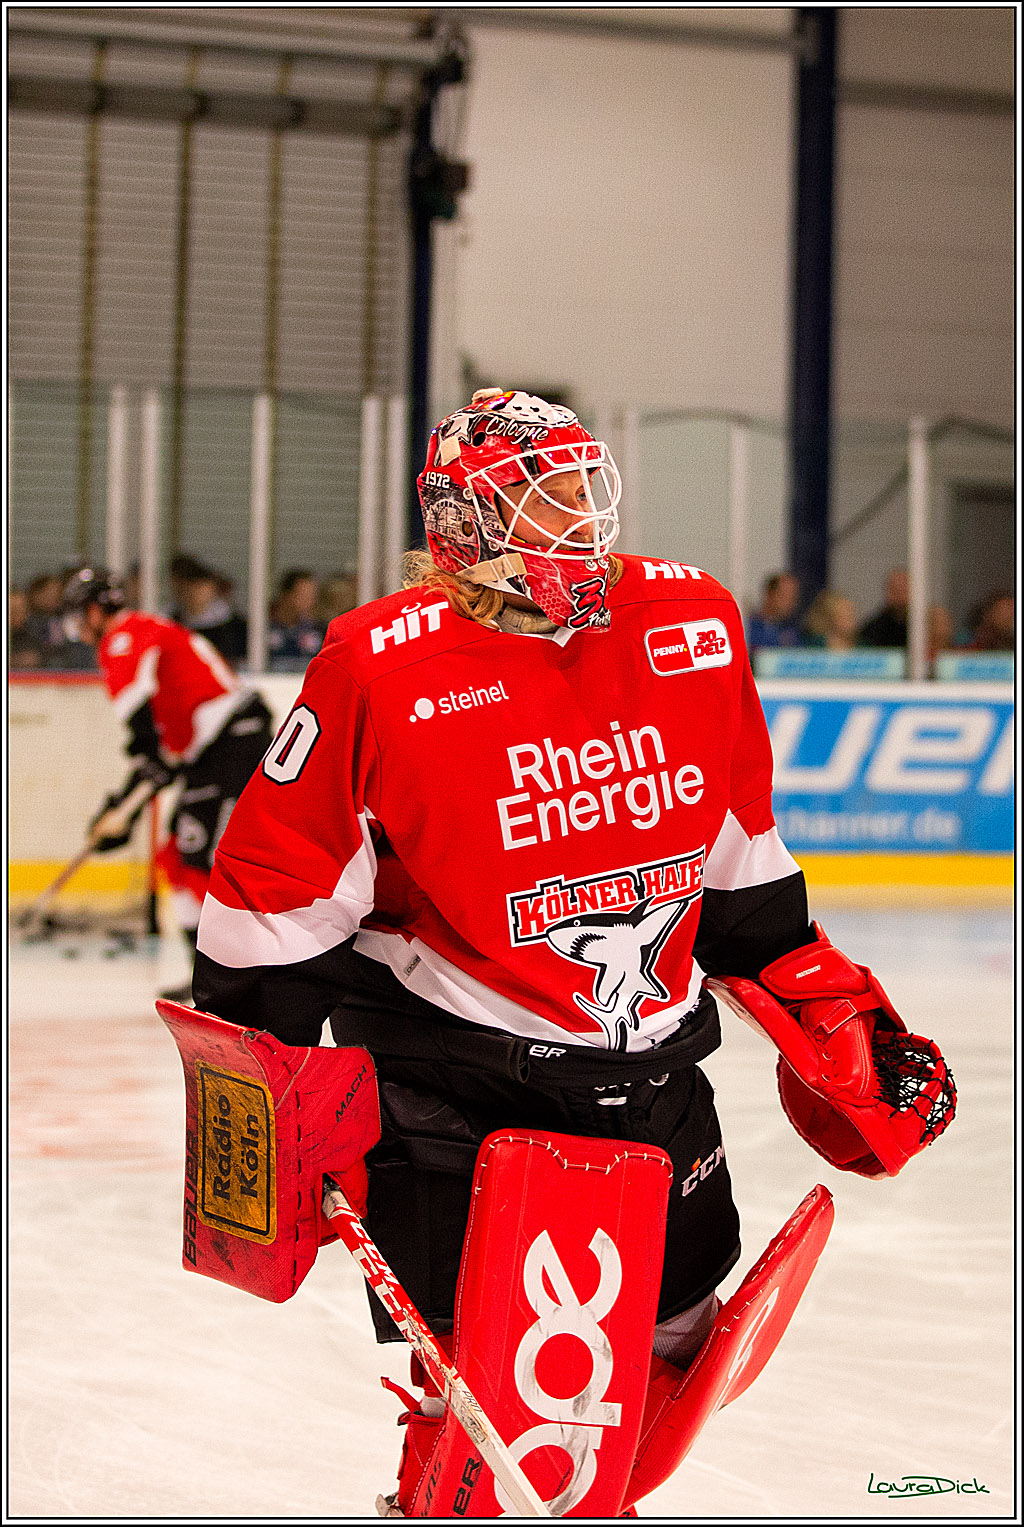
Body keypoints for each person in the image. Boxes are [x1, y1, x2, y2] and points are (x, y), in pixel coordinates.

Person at [189, 390, 954, 1514]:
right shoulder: (380, 665)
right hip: (458, 1079)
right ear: (461, 522)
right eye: (540, 501)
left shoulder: (687, 621)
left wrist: (836, 1015)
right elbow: (278, 894)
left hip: (648, 1074)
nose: (578, 526)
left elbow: (738, 855)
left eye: (584, 492)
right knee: (491, 1393)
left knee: (677, 1343)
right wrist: (258, 1108)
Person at [62, 569, 274, 993]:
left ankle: (244, 972)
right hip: (215, 747)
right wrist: (127, 804)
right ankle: (207, 976)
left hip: (234, 741)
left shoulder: (123, 637)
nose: (75, 628)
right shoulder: (148, 632)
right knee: (176, 858)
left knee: (205, 859)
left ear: (92, 611)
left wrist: (133, 787)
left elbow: (140, 724)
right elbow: (163, 755)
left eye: (76, 615)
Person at [168, 554, 249, 666]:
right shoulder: (173, 621)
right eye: (190, 586)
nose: (195, 593)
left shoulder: (234, 626)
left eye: (201, 587)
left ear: (212, 589)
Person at [267, 568, 325, 670]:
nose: (309, 601)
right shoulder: (264, 628)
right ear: (286, 595)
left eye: (312, 596)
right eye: (303, 595)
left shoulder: (318, 629)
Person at [745, 572, 801, 650]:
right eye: (784, 596)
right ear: (770, 594)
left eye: (793, 598)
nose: (789, 603)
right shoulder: (748, 628)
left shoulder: (791, 632)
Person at [857, 567, 908, 648]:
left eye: (903, 589)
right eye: (894, 589)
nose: (899, 595)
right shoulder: (873, 628)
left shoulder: (925, 625)